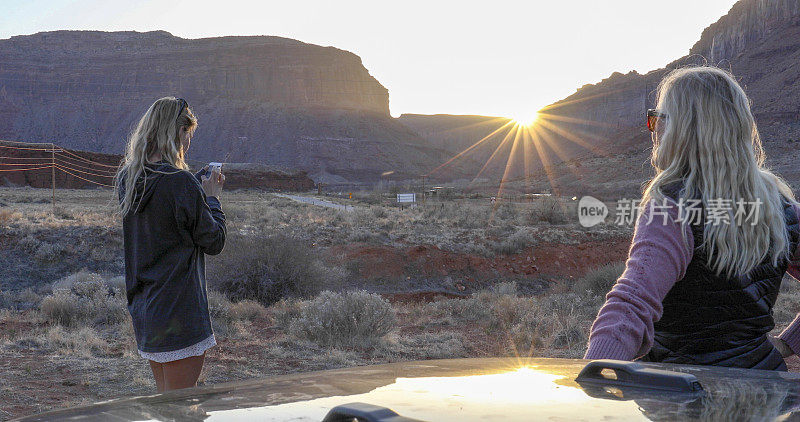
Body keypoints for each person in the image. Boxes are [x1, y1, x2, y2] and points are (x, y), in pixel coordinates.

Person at [584, 66, 800, 370]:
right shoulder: (783, 207)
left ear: (681, 129)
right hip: (761, 388)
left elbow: (631, 304)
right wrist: (788, 344)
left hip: (682, 394)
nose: (655, 129)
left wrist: (594, 379)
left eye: (658, 119)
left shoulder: (672, 206)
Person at [115, 97, 226, 391]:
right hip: (180, 314)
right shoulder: (181, 183)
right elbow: (214, 241)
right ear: (177, 133)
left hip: (147, 310)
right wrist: (212, 198)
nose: (187, 143)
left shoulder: (127, 179)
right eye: (187, 135)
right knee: (179, 409)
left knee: (167, 403)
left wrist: (195, 192)